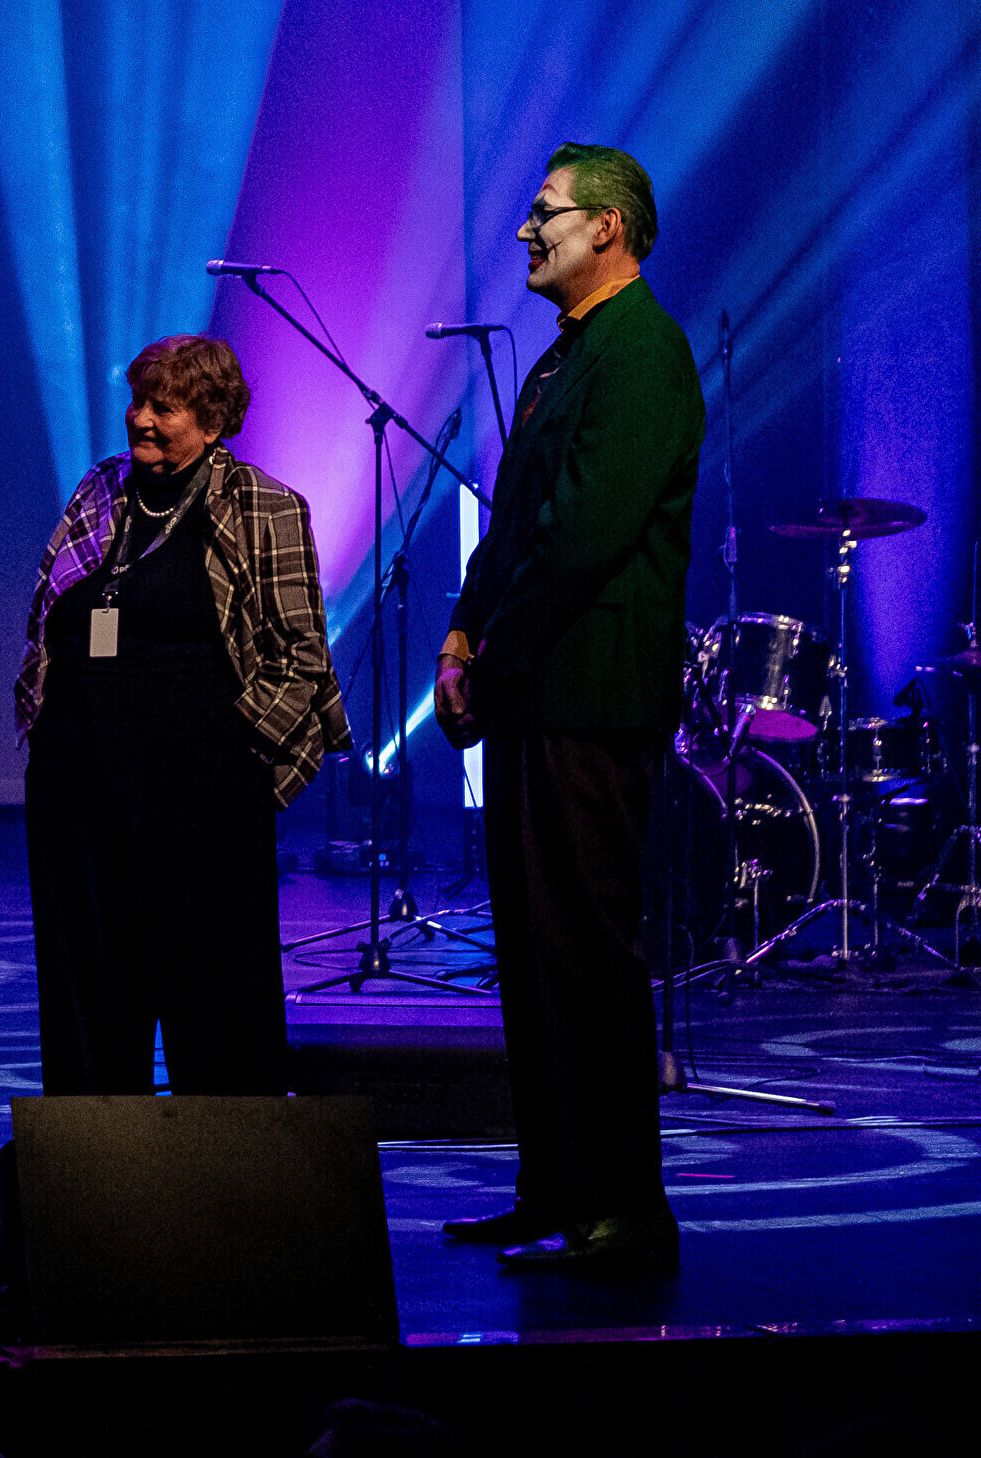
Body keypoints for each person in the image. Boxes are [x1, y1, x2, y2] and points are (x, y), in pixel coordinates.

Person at [435, 143, 703, 1275]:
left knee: (582, 952)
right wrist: (460, 632)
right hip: (536, 692)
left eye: (543, 212)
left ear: (607, 227)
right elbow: (513, 523)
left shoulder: (639, 349)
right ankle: (551, 1186)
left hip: (587, 696)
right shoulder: (567, 353)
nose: (522, 231)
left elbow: (582, 536)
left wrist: (488, 664)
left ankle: (620, 1207)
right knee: (534, 952)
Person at [13, 335, 349, 1096]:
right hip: (78, 777)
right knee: (90, 974)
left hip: (199, 787)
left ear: (213, 420)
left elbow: (302, 655)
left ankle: (229, 1150)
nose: (141, 419)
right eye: (138, 401)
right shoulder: (101, 490)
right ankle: (95, 1148)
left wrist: (238, 753)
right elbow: (51, 612)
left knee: (211, 981)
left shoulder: (262, 505)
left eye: (163, 407)